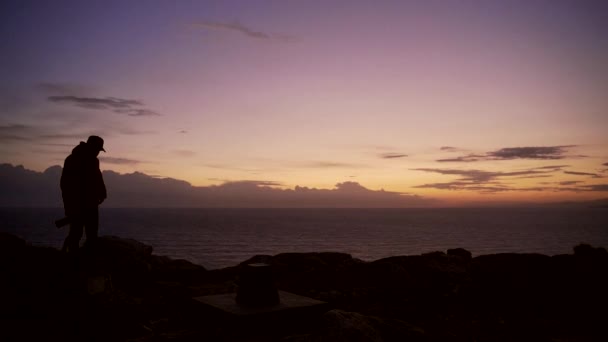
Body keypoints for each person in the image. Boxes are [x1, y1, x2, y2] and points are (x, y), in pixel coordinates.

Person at [60, 135, 107, 253]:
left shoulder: (94, 161)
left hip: (91, 203)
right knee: (76, 233)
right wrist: (69, 206)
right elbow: (66, 185)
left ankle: (88, 259)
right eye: (97, 149)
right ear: (91, 147)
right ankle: (72, 259)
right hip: (77, 204)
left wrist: (102, 192)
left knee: (91, 233)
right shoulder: (73, 160)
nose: (98, 152)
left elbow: (98, 177)